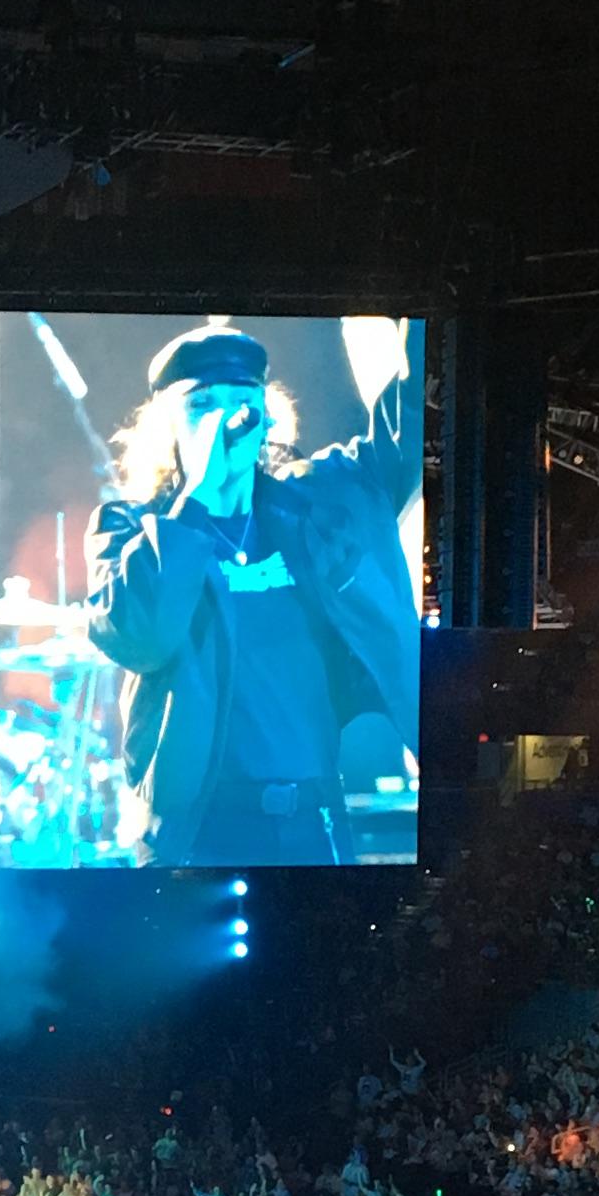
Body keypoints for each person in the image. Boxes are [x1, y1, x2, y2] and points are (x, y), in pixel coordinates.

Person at [85, 318, 423, 866]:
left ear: (265, 416)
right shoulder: (130, 528)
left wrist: (427, 293)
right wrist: (199, 494)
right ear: (164, 427)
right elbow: (140, 635)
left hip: (314, 821)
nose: (224, 420)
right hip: (199, 833)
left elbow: (409, 424)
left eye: (242, 401)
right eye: (201, 405)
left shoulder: (316, 507)